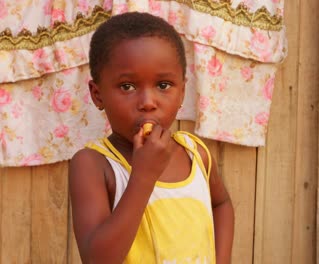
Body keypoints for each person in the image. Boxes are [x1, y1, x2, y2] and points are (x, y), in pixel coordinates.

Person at [69, 12, 234, 264]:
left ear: (182, 92)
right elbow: (97, 259)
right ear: (97, 94)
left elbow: (221, 205)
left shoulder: (195, 154)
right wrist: (143, 176)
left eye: (164, 85)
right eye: (127, 87)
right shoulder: (93, 165)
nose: (148, 103)